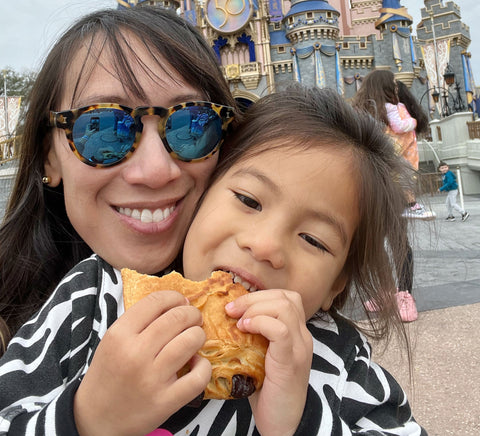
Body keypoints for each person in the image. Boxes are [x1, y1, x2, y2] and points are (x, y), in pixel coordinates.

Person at [0, 85, 426, 435]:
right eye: (247, 199)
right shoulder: (91, 302)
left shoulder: (332, 360)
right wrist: (88, 420)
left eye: (314, 240)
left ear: (337, 284)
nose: (265, 246)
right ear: (200, 195)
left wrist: (298, 423)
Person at [0, 6, 238, 357]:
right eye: (105, 127)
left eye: (191, 124)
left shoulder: (274, 319)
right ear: (49, 155)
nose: (157, 171)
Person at [352, 70, 435, 220]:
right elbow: (398, 126)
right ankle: (411, 205)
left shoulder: (368, 109)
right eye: (394, 85)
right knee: (403, 176)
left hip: (378, 154)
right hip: (391, 151)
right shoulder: (391, 107)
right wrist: (414, 121)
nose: (396, 88)